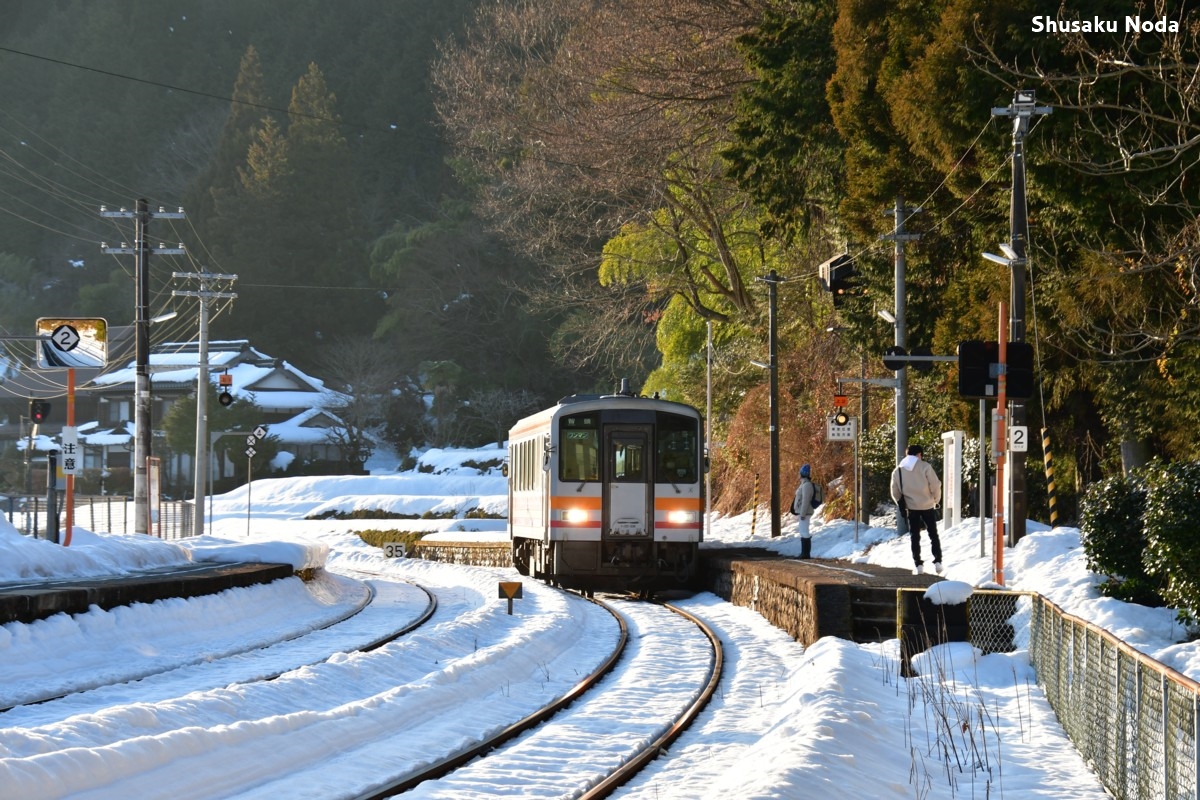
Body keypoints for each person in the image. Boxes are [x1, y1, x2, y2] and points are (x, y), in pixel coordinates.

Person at [890, 444, 943, 575]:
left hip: (911, 507)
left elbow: (894, 491)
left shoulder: (898, 470)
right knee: (933, 534)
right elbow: (935, 485)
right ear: (919, 454)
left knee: (915, 536)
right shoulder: (925, 466)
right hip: (928, 505)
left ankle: (918, 564)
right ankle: (937, 561)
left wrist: (902, 503)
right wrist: (936, 500)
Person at [791, 463, 815, 559]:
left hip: (805, 512)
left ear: (802, 474)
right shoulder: (804, 484)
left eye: (799, 473)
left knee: (804, 532)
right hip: (804, 512)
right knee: (803, 531)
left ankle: (805, 553)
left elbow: (805, 500)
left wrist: (803, 513)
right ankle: (804, 553)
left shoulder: (806, 485)